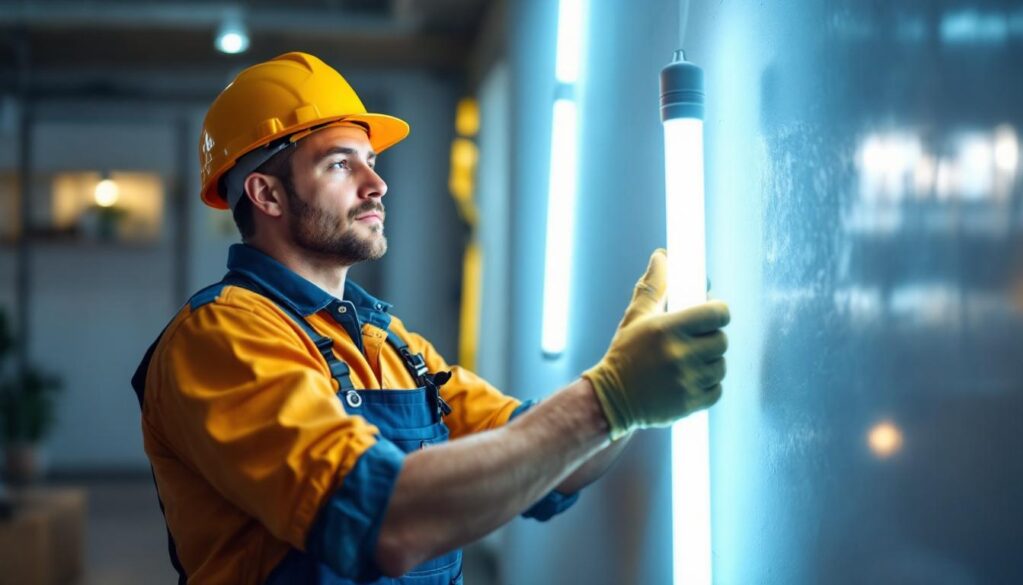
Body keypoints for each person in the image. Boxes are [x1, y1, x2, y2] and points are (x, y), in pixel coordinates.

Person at [131, 52, 730, 585]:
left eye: (370, 160)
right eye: (341, 165)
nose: (377, 184)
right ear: (267, 195)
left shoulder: (386, 341)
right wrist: (610, 400)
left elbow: (554, 466)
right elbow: (387, 522)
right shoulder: (222, 337)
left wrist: (628, 374)